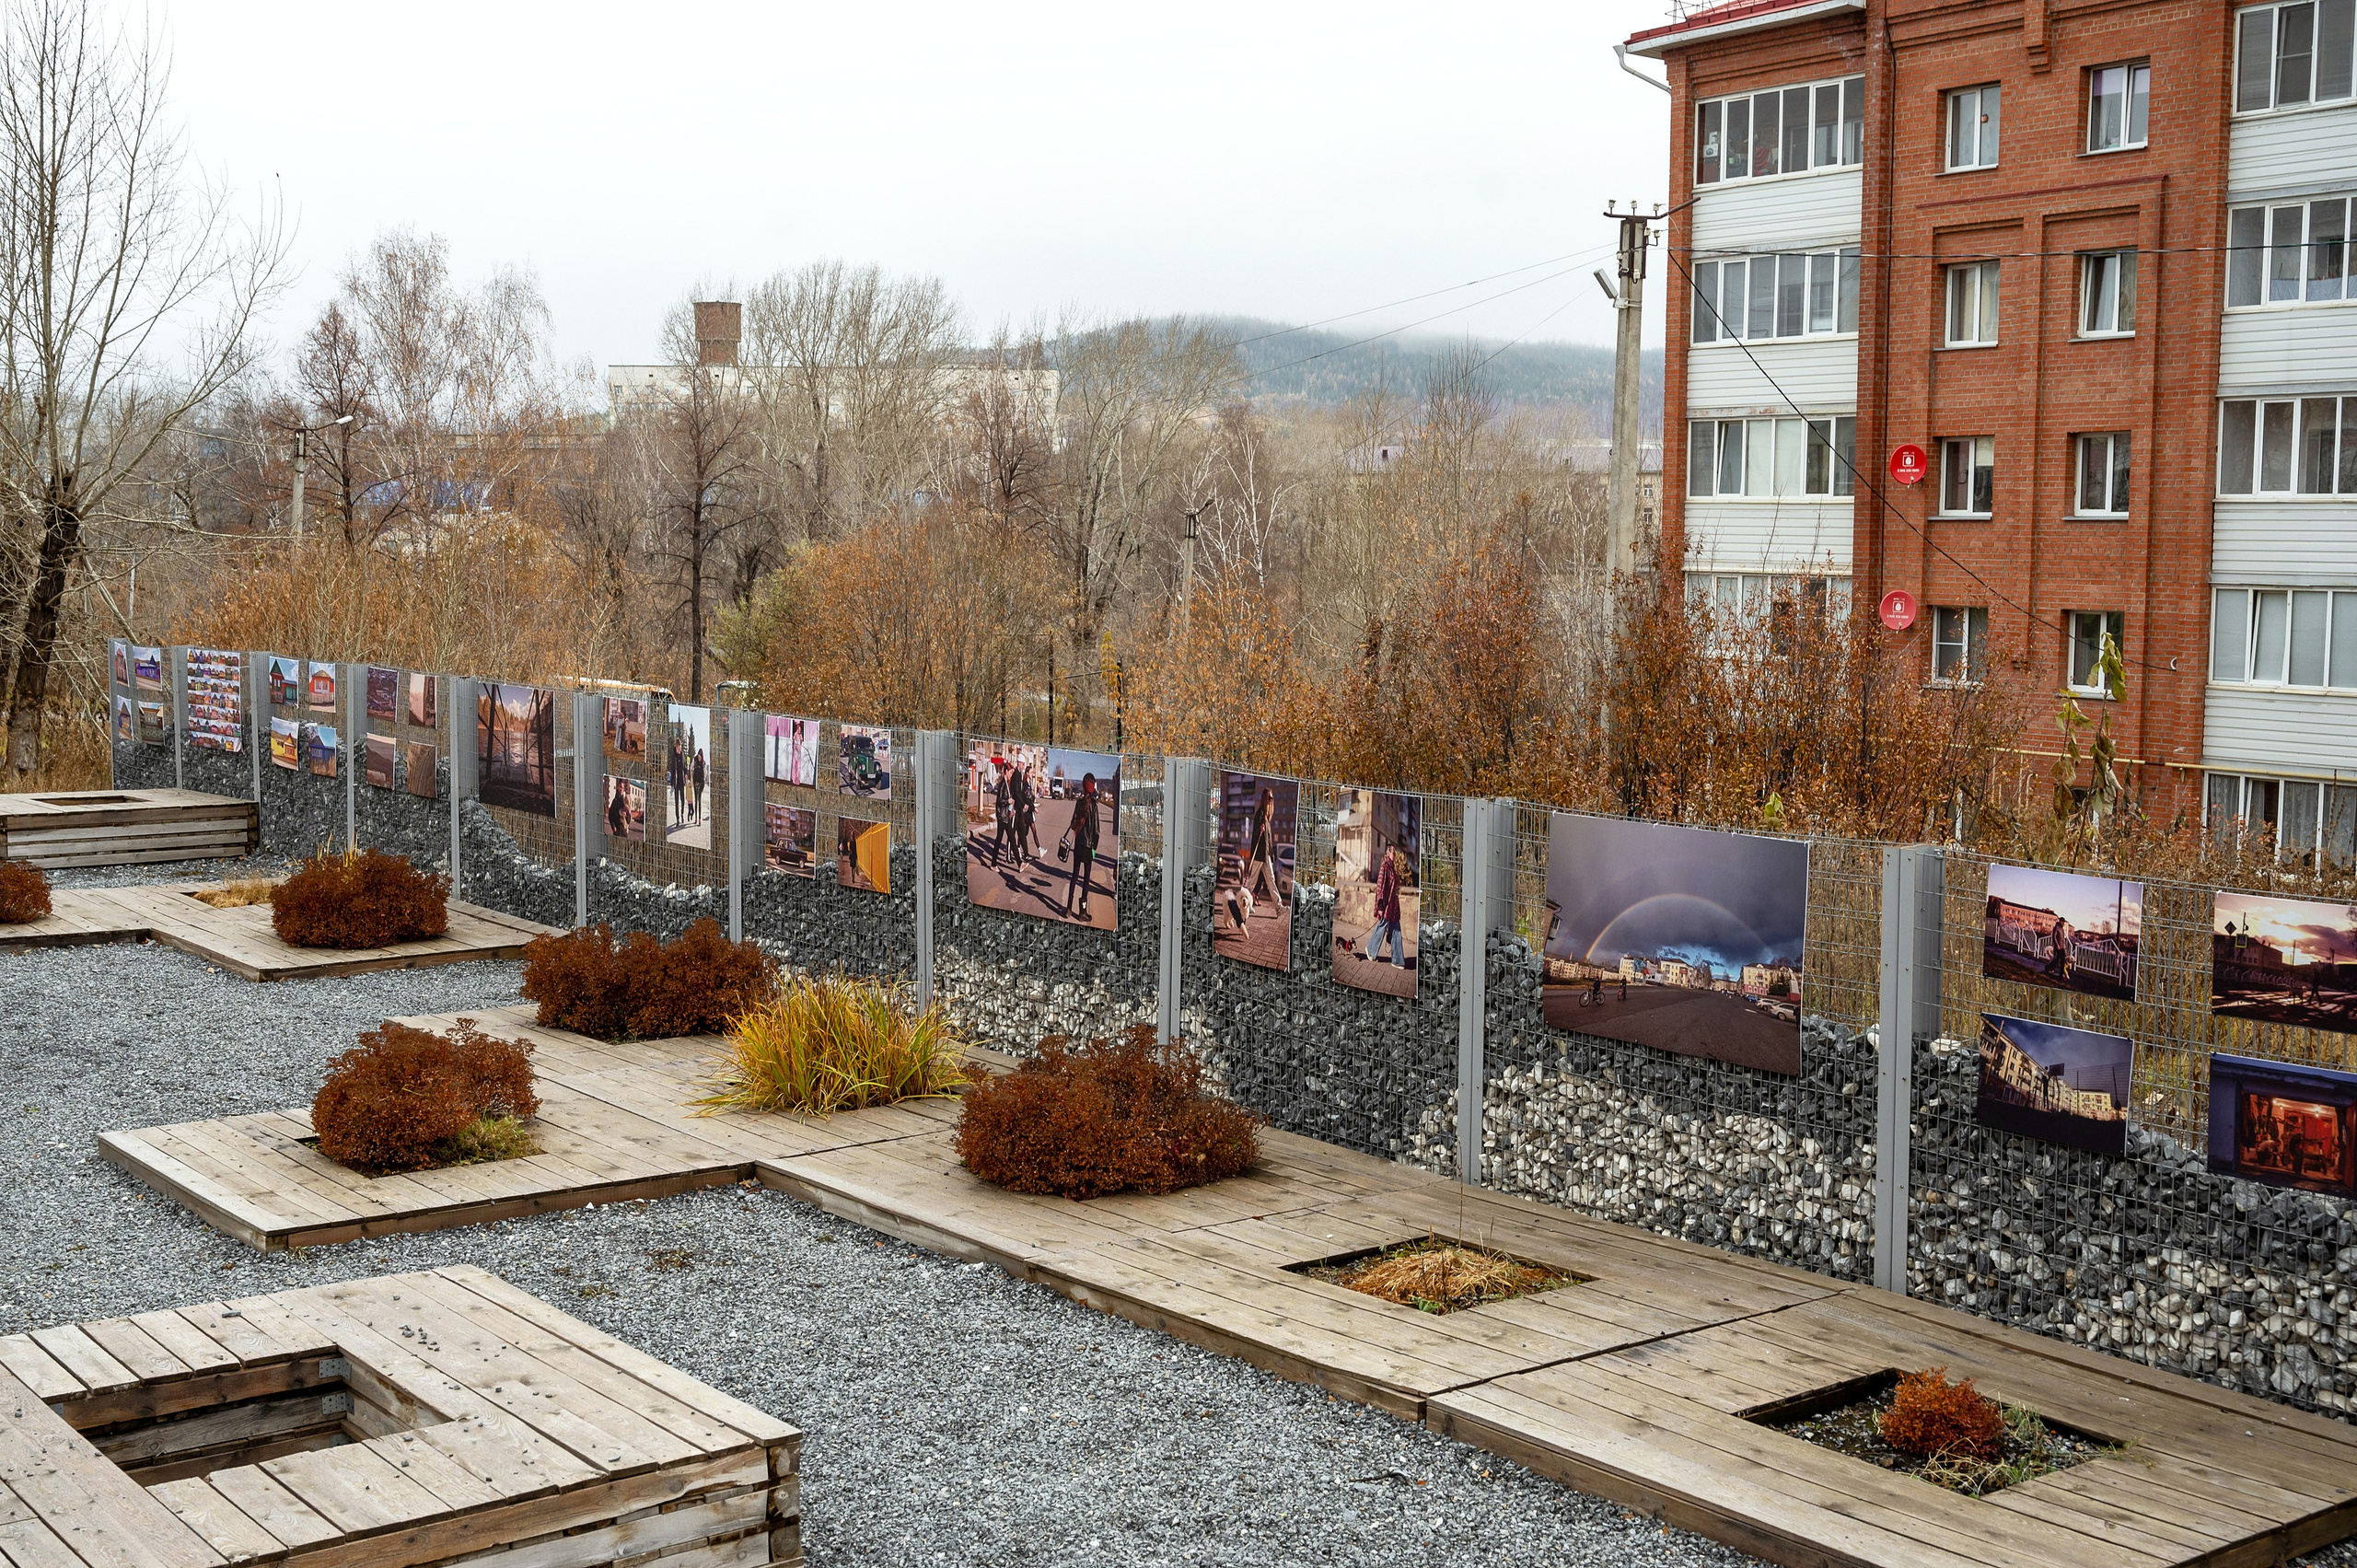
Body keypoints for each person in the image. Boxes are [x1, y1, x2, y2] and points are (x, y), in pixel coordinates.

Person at [1060, 772, 1101, 918]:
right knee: (1086, 879)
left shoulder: (1078, 803)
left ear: (1084, 787)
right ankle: (1082, 911)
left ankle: (1069, 909)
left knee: (1074, 876)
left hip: (1078, 845)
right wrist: (1094, 848)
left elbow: (1072, 824)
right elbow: (1096, 831)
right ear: (1092, 787)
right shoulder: (1094, 806)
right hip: (1089, 847)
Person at [1364, 844, 1407, 969]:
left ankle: (1397, 960)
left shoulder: (1392, 868)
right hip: (1387, 905)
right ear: (1387, 853)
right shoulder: (1384, 867)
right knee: (1382, 926)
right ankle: (1371, 950)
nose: (1395, 855)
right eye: (1394, 852)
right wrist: (1381, 906)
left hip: (1394, 906)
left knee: (1396, 930)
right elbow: (1380, 887)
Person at [668, 738, 685, 825]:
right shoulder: (673, 756)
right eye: (678, 748)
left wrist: (686, 776)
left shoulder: (682, 755)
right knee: (676, 802)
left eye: (680, 748)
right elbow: (672, 769)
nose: (679, 750)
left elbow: (685, 767)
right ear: (676, 747)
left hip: (682, 782)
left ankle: (682, 814)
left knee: (682, 800)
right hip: (676, 782)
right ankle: (677, 819)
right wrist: (671, 784)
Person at [607, 777, 629, 841]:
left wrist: (626, 815)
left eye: (622, 787)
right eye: (620, 787)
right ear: (617, 787)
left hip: (624, 832)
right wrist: (613, 827)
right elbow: (610, 816)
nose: (621, 789)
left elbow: (629, 819)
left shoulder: (625, 801)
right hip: (618, 832)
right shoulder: (615, 801)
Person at [691, 746, 707, 826]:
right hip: (695, 782)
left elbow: (705, 774)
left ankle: (699, 819)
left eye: (700, 755)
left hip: (701, 783)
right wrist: (691, 774)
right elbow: (691, 767)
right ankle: (696, 818)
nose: (699, 757)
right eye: (699, 755)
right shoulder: (695, 759)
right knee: (696, 800)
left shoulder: (703, 762)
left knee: (699, 800)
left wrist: (703, 766)